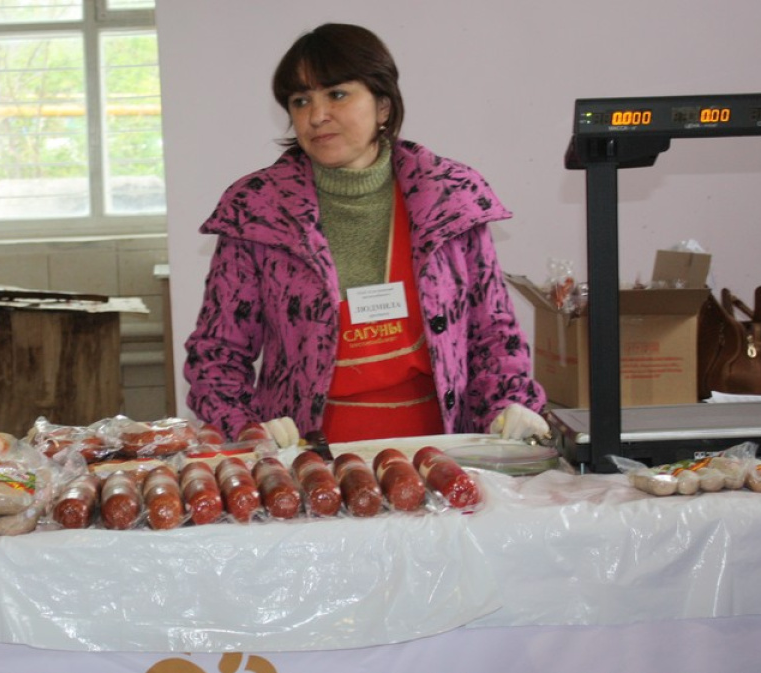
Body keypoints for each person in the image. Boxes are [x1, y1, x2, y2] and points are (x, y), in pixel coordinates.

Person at [183, 23, 547, 445]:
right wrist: (245, 429)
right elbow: (216, 354)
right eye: (301, 101)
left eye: (336, 94)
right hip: (306, 465)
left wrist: (509, 404)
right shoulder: (258, 211)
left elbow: (493, 334)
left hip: (446, 453)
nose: (316, 116)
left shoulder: (450, 199)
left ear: (384, 106)